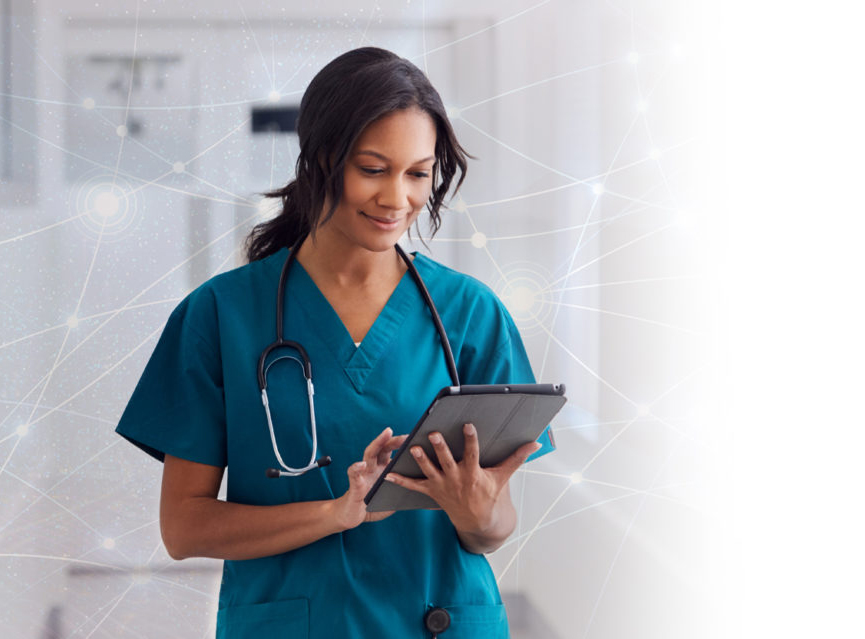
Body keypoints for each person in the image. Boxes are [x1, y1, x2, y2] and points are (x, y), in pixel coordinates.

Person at [115, 46, 555, 639]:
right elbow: (184, 527)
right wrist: (333, 514)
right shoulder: (219, 315)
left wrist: (479, 512)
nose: (396, 198)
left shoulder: (471, 315)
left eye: (417, 173)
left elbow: (492, 528)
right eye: (373, 169)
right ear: (321, 160)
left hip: (440, 623)